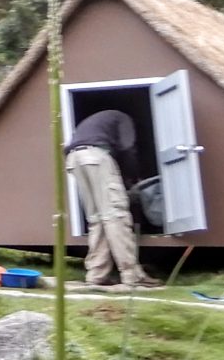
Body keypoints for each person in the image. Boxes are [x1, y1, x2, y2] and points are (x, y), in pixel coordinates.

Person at [63, 109, 156, 288]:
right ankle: (133, 275)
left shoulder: (101, 121)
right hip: (96, 157)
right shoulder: (125, 118)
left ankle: (97, 274)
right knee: (116, 216)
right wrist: (133, 178)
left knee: (97, 219)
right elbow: (128, 148)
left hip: (74, 160)